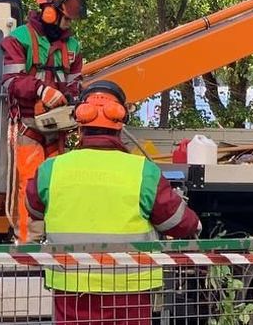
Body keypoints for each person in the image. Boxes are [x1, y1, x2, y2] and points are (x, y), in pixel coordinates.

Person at [26, 80, 201, 325]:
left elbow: (34, 206)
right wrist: (196, 225)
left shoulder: (51, 169)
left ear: (79, 125)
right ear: (120, 126)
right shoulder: (143, 172)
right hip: (129, 292)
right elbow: (177, 222)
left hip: (72, 289)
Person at [2, 0, 87, 241]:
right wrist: (41, 90)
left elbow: (75, 82)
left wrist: (73, 98)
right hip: (27, 123)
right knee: (30, 181)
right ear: (50, 11)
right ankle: (28, 244)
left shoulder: (72, 46)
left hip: (57, 125)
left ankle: (54, 239)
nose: (70, 19)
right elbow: (10, 81)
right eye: (67, 10)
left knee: (56, 183)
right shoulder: (19, 39)